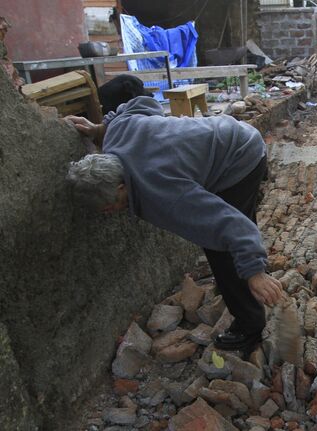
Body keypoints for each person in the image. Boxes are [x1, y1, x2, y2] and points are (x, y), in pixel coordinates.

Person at [65, 87, 283, 353]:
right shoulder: (116, 133)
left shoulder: (163, 193)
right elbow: (143, 103)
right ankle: (251, 268)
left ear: (122, 187)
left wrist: (254, 272)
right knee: (230, 235)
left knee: (219, 246)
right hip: (227, 134)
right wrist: (101, 129)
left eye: (110, 206)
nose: (109, 212)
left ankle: (250, 324)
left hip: (240, 156)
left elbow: (230, 224)